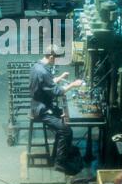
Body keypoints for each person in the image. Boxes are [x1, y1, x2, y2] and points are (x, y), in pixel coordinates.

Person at [29, 45, 84, 175]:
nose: (56, 61)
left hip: (41, 104)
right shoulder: (43, 71)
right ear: (52, 56)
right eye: (56, 59)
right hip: (41, 110)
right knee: (66, 131)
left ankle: (61, 152)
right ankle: (60, 163)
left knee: (63, 120)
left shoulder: (37, 66)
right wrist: (73, 84)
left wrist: (59, 77)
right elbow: (57, 91)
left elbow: (47, 83)